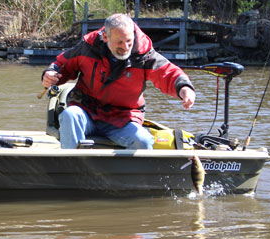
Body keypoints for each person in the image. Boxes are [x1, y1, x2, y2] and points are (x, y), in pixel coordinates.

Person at [42, 13, 196, 149]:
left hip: (123, 118)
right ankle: (72, 171)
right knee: (69, 115)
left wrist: (184, 89)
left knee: (143, 141)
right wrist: (50, 74)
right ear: (105, 37)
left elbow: (169, 73)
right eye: (119, 42)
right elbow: (61, 65)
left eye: (129, 41)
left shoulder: (145, 56)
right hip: (86, 112)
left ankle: (138, 179)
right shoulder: (88, 47)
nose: (126, 47)